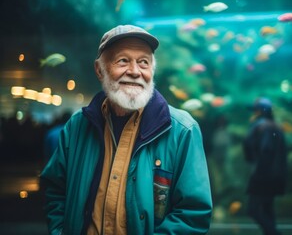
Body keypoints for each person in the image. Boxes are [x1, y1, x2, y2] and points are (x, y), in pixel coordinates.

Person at [40, 25, 213, 235]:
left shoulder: (183, 130)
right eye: (123, 60)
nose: (134, 71)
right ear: (99, 69)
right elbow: (55, 190)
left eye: (144, 62)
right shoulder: (77, 126)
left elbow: (193, 215)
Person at [242, 97, 287, 235]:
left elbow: (265, 150)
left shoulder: (261, 126)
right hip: (277, 174)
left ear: (261, 111)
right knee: (267, 208)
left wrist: (258, 173)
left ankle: (273, 233)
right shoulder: (276, 126)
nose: (253, 113)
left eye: (255, 110)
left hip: (263, 174)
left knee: (253, 209)